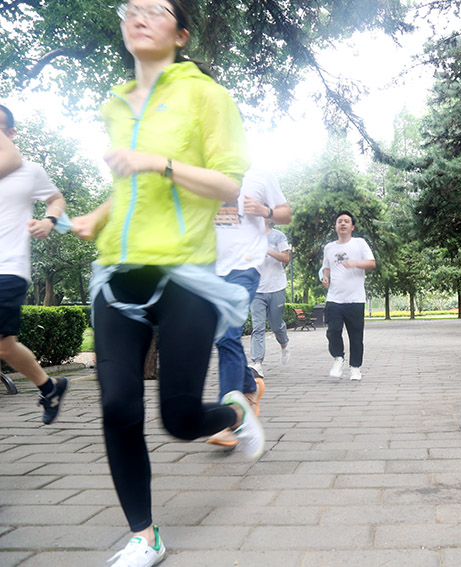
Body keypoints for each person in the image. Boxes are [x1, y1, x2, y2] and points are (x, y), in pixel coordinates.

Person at [70, 2, 263, 565]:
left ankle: (235, 412)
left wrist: (158, 162)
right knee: (118, 405)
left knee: (179, 421)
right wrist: (99, 215)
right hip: (117, 273)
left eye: (155, 10)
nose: (139, 16)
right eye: (131, 8)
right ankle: (144, 534)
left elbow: (227, 184)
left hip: (186, 274)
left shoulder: (206, 95)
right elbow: (128, 190)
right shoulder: (115, 104)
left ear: (181, 34)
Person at [207, 167, 290, 447]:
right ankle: (249, 385)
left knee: (227, 335)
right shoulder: (201, 172)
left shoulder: (259, 175)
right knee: (223, 337)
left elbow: (286, 214)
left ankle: (230, 420)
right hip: (209, 268)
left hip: (245, 267)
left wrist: (266, 211)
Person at [0, 104, 70, 424]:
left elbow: (56, 199)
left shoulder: (30, 171)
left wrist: (49, 221)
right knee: (6, 347)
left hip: (8, 267)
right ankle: (49, 386)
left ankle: (48, 386)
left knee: (4, 345)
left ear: (11, 133)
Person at [321, 211, 376, 381]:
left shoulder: (359, 243)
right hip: (334, 298)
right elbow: (326, 267)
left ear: (352, 227)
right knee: (333, 331)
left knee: (356, 337)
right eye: (340, 221)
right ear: (335, 226)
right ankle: (338, 358)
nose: (343, 224)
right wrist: (325, 277)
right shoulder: (329, 248)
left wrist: (355, 263)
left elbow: (372, 263)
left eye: (346, 221)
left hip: (355, 299)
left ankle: (355, 368)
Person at [249, 220, 292, 376]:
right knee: (258, 327)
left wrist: (267, 250)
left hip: (276, 287)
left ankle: (284, 343)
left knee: (276, 326)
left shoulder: (278, 236)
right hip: (256, 290)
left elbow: (286, 258)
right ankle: (257, 364)